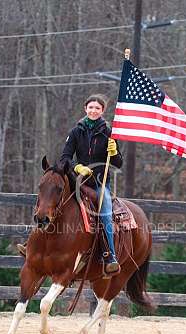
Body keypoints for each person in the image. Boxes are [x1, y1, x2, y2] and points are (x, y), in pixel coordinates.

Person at [18, 94, 123, 276]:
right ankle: (31, 245)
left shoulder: (109, 133)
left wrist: (113, 152)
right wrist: (77, 167)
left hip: (99, 183)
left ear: (102, 111)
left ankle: (109, 256)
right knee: (50, 203)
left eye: (97, 108)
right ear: (85, 109)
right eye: (90, 107)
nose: (93, 111)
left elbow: (119, 163)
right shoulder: (76, 131)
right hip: (77, 181)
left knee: (105, 210)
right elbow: (64, 157)